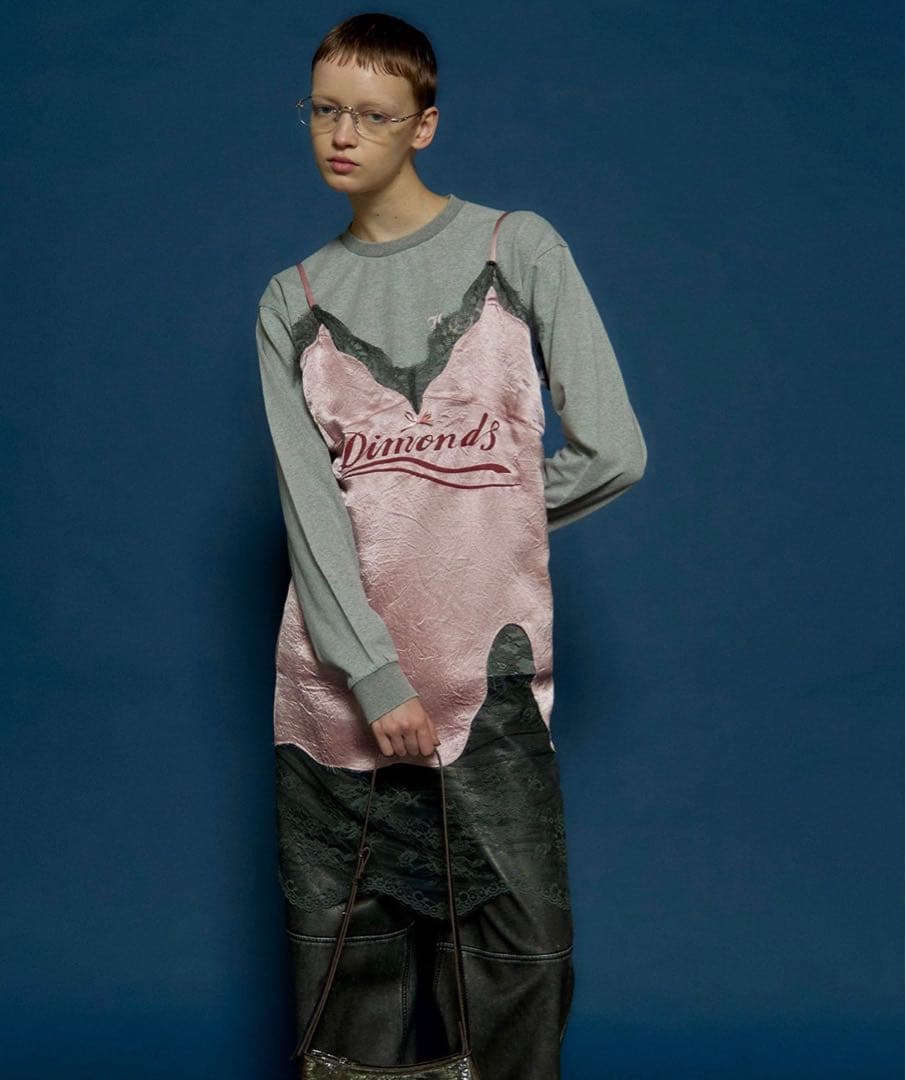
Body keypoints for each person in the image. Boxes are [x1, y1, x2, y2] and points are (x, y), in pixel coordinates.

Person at [255, 12, 647, 1078]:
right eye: (324, 109)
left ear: (424, 125)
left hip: (491, 686)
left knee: (521, 967)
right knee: (350, 984)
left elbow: (614, 451)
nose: (343, 134)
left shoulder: (517, 250)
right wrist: (374, 674)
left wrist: (478, 519)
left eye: (374, 115)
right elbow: (310, 513)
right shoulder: (293, 302)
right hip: (336, 702)